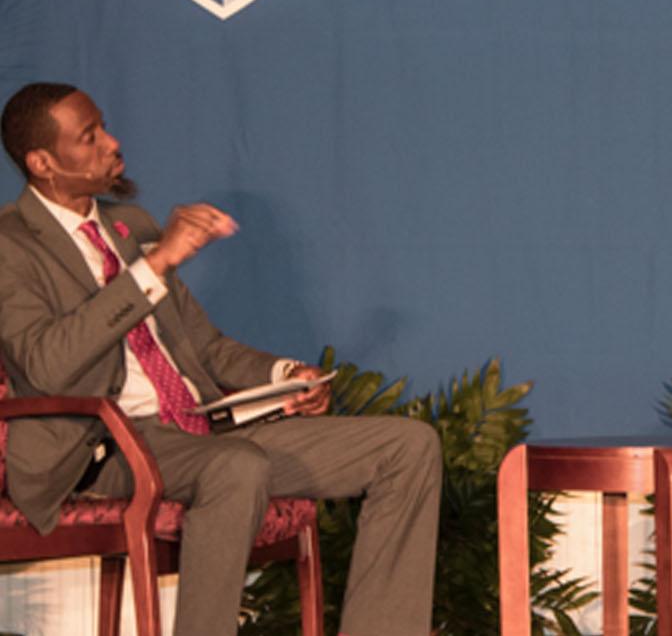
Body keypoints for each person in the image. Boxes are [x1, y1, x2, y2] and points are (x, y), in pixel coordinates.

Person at [0, 82, 441, 636]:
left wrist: (284, 376)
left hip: (200, 431)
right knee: (235, 467)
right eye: (89, 137)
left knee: (407, 448)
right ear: (42, 163)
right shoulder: (11, 243)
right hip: (103, 446)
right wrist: (153, 266)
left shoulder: (129, 225)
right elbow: (44, 365)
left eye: (104, 127)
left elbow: (203, 346)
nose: (112, 143)